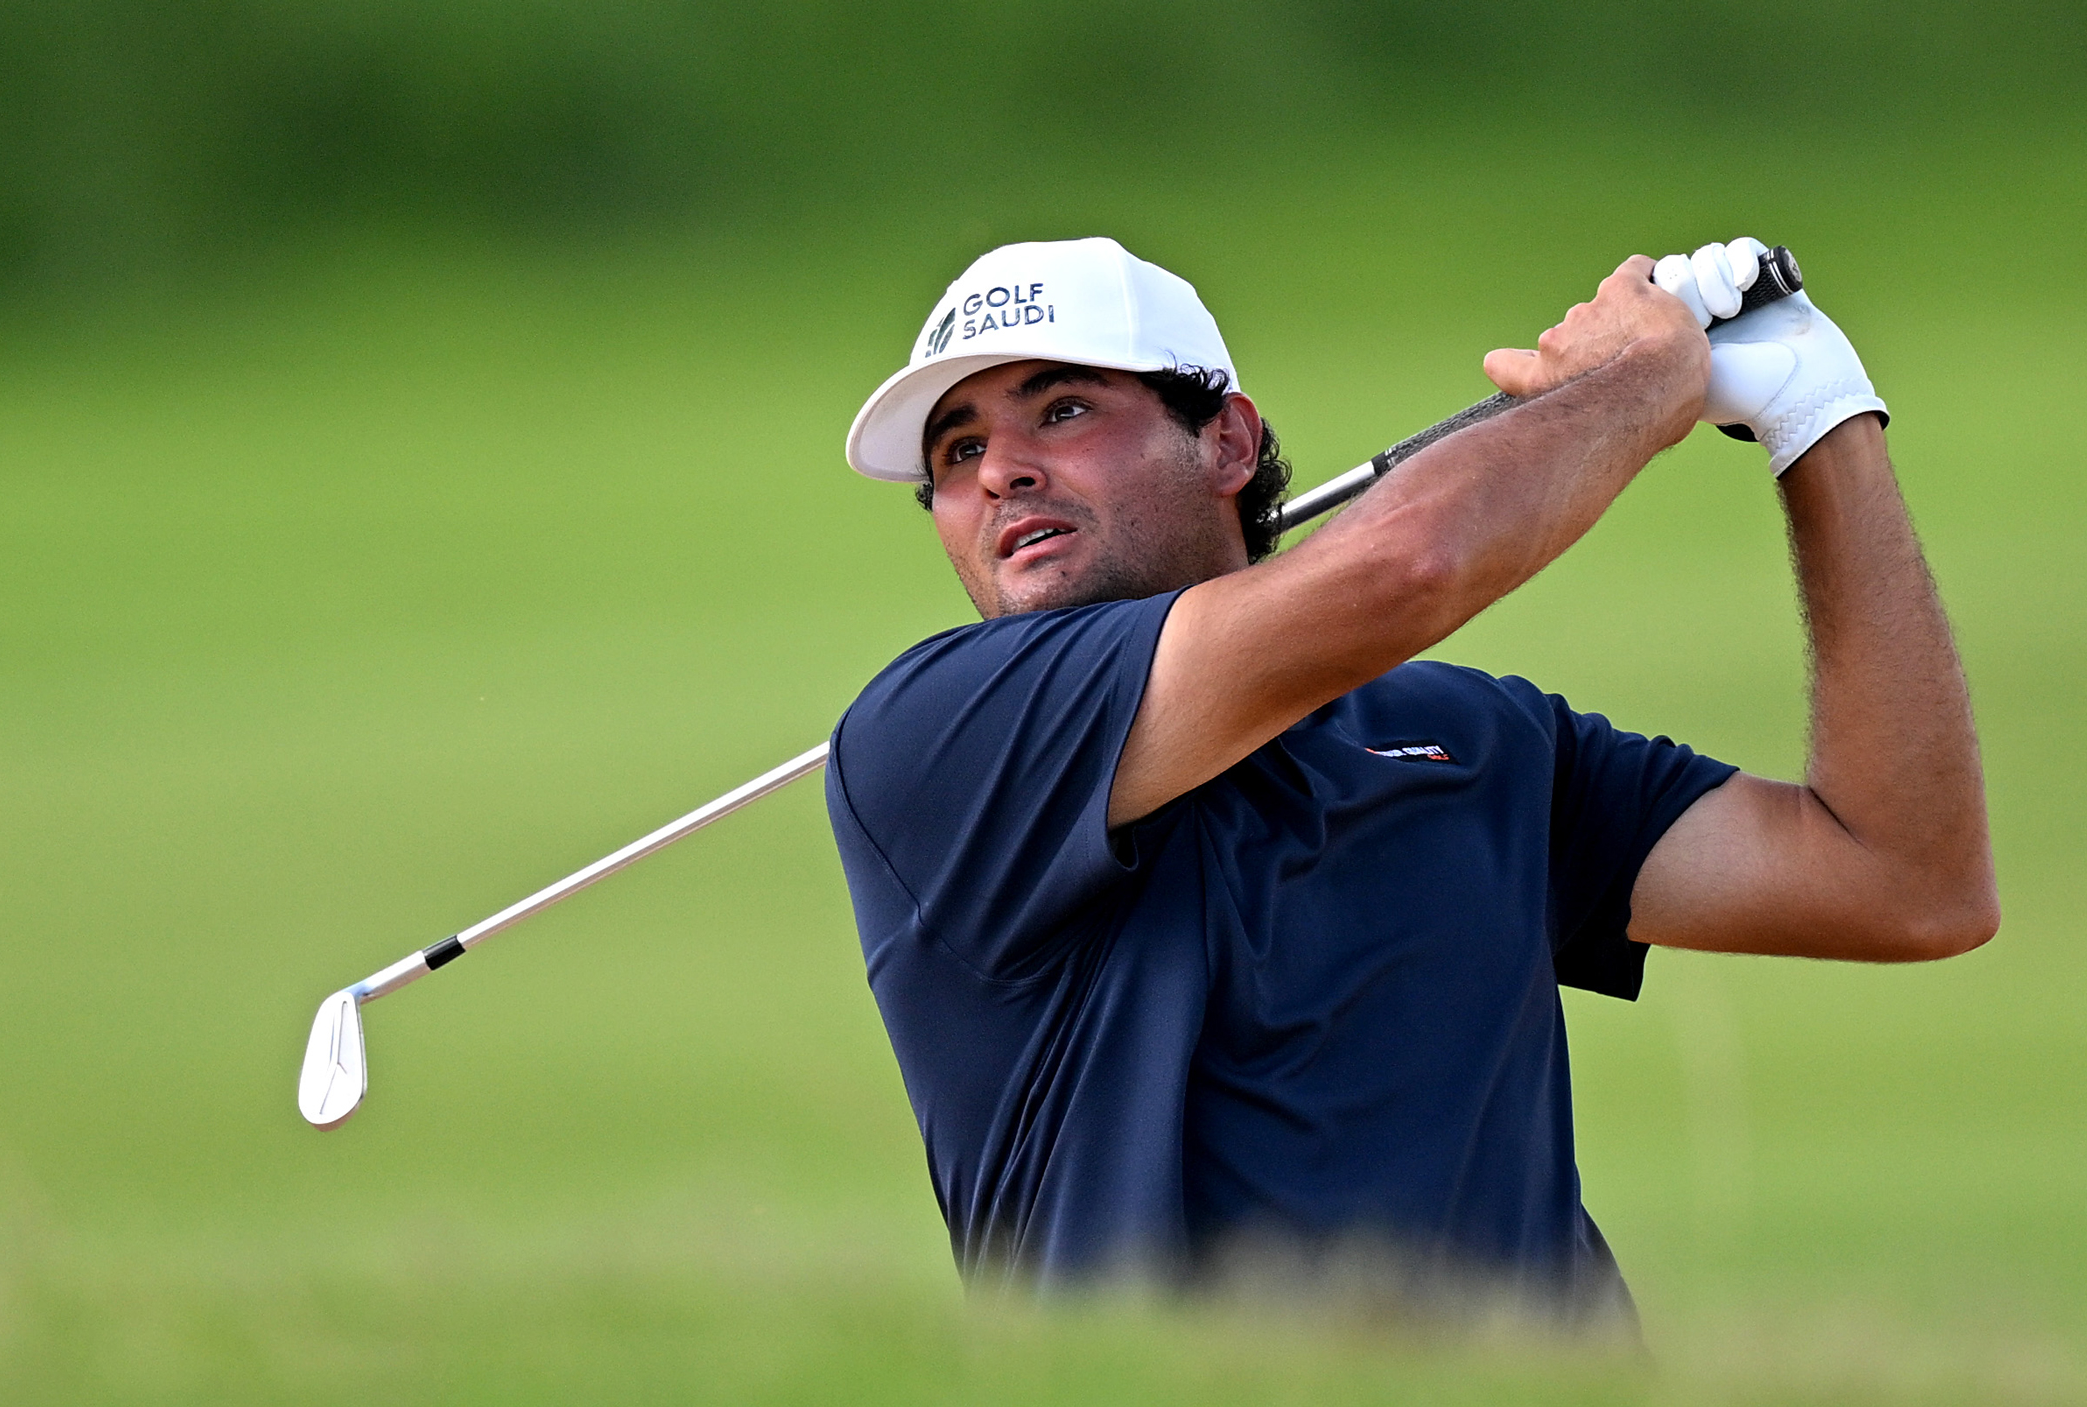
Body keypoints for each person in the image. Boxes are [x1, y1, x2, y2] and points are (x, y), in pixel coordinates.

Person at [824, 236, 1996, 1320]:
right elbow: (1410, 565)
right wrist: (1643, 380)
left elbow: (1902, 880)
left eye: (1063, 409)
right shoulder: (938, 736)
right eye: (958, 451)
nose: (1001, 472)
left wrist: (1820, 417)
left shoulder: (1467, 736)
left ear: (1226, 442)